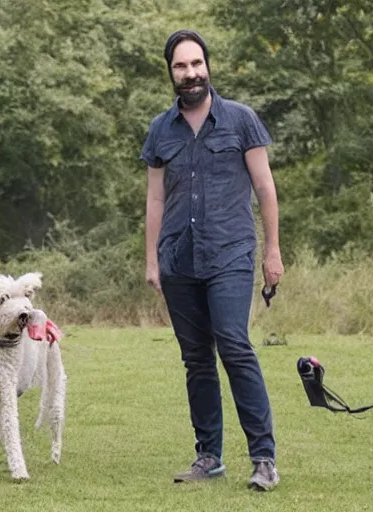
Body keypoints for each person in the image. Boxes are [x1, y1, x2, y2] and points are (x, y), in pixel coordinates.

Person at [140, 30, 284, 491]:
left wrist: (273, 251)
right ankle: (209, 456)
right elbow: (155, 201)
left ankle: (264, 458)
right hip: (178, 258)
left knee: (233, 344)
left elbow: (265, 188)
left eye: (196, 63)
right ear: (171, 73)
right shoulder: (161, 130)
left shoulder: (241, 120)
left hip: (231, 253)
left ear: (208, 66)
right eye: (181, 66)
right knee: (196, 359)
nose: (191, 73)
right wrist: (151, 260)